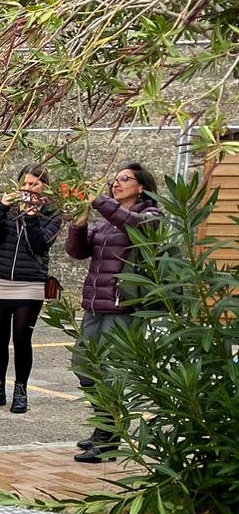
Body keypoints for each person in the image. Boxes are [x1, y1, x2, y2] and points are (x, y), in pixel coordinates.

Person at [66, 162, 164, 463]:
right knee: (85, 366)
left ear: (141, 187)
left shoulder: (151, 215)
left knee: (112, 372)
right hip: (96, 305)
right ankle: (103, 427)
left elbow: (135, 226)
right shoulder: (105, 222)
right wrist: (78, 225)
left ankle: (109, 437)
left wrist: (98, 201)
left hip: (125, 307)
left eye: (125, 179)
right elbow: (78, 252)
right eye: (115, 179)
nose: (116, 183)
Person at [0, 166, 63, 416]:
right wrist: (1, 208)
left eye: (34, 185)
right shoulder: (10, 208)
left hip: (30, 282)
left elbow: (40, 244)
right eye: (25, 184)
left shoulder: (53, 213)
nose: (28, 189)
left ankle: (20, 390)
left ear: (45, 188)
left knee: (21, 339)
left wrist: (31, 216)